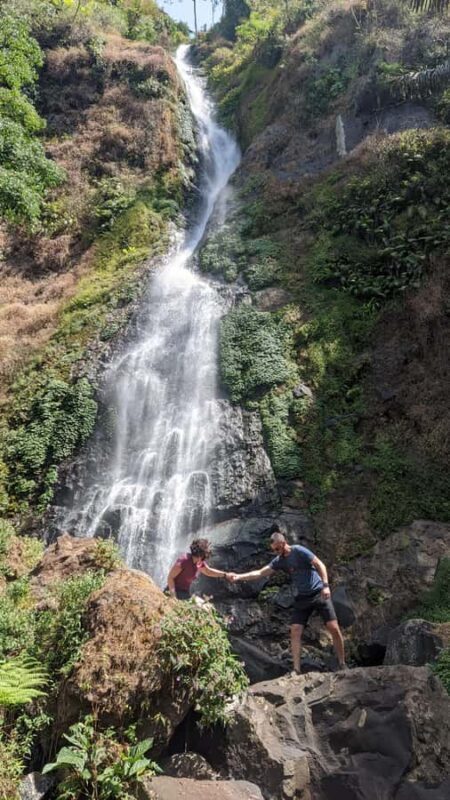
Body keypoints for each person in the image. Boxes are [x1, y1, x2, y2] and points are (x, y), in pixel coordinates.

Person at [230, 528, 346, 674]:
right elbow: (260, 573)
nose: (277, 552)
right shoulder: (279, 561)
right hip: (303, 597)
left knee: (333, 627)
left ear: (284, 542)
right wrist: (239, 577)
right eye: (274, 550)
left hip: (318, 593)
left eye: (278, 548)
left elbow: (319, 564)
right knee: (295, 631)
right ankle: (296, 670)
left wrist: (326, 585)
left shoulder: (299, 551)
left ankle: (342, 664)